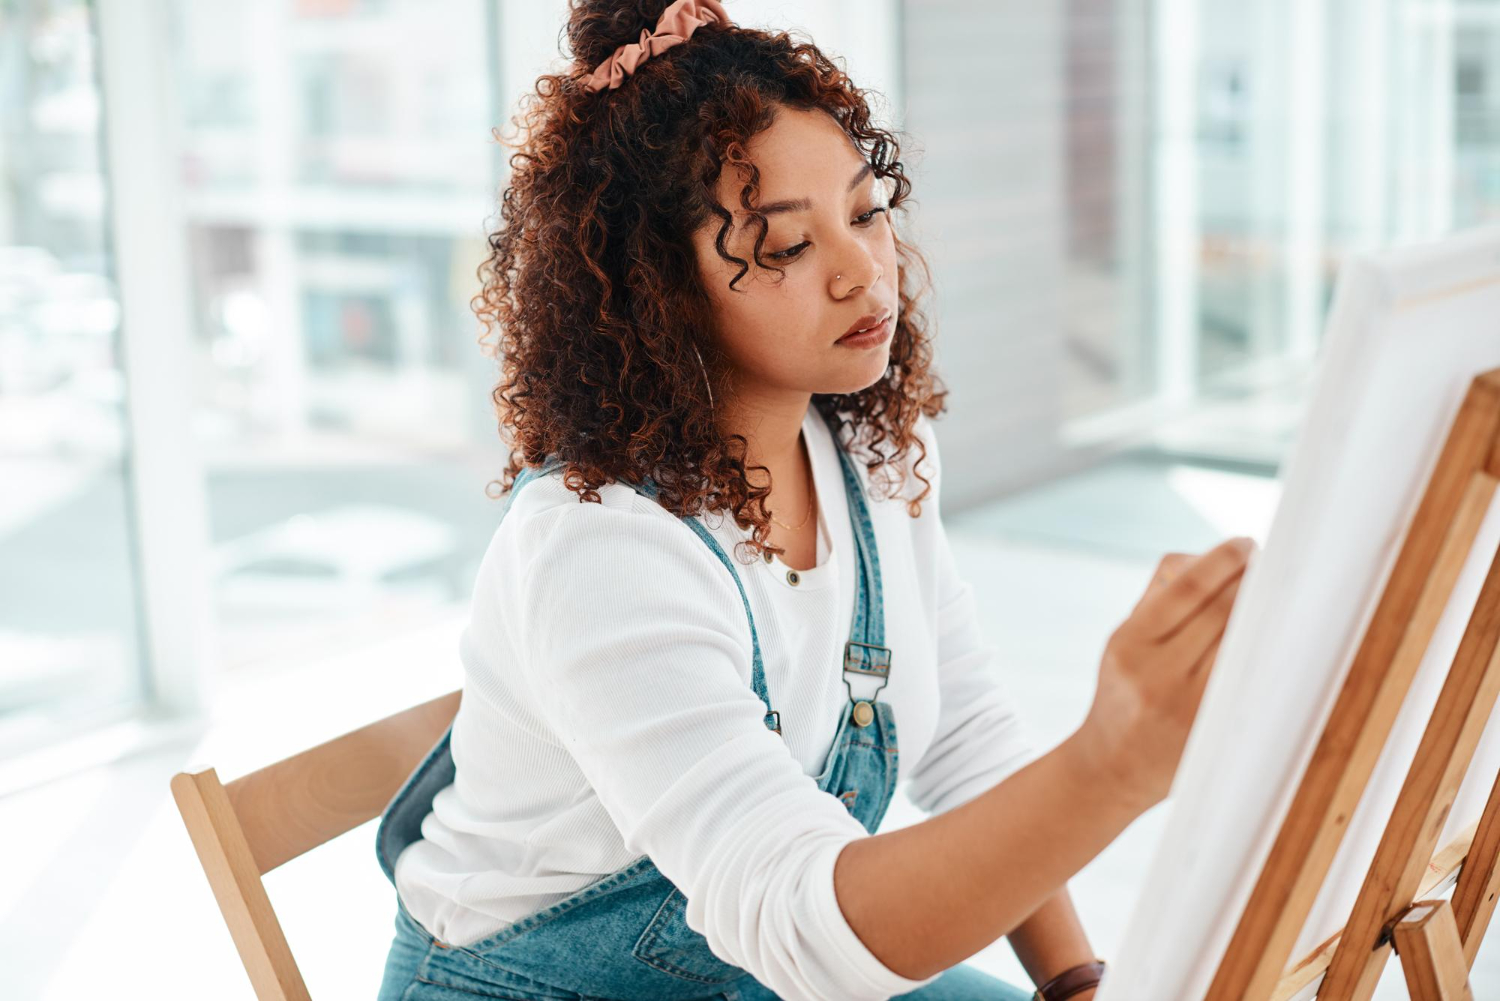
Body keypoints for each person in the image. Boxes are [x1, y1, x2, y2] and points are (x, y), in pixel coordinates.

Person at [373, 2, 1255, 999]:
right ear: (658, 290)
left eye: (866, 209)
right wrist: (1109, 765)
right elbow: (793, 918)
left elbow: (964, 731)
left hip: (774, 960)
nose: (860, 268)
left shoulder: (873, 449)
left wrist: (1074, 981)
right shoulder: (596, 550)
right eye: (786, 246)